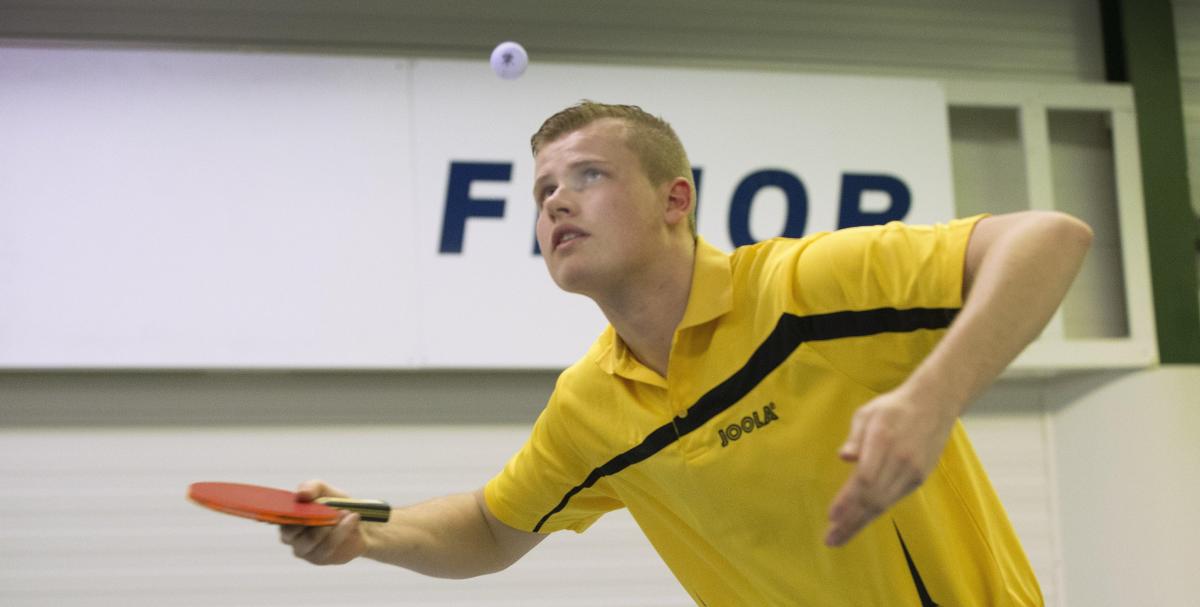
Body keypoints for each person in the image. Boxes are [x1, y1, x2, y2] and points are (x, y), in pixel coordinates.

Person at [281, 101, 1092, 605]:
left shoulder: (802, 290)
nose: (555, 201)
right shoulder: (591, 404)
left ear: (676, 199)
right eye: (543, 191)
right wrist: (366, 530)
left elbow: (1051, 239)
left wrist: (932, 396)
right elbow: (492, 528)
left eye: (587, 175)